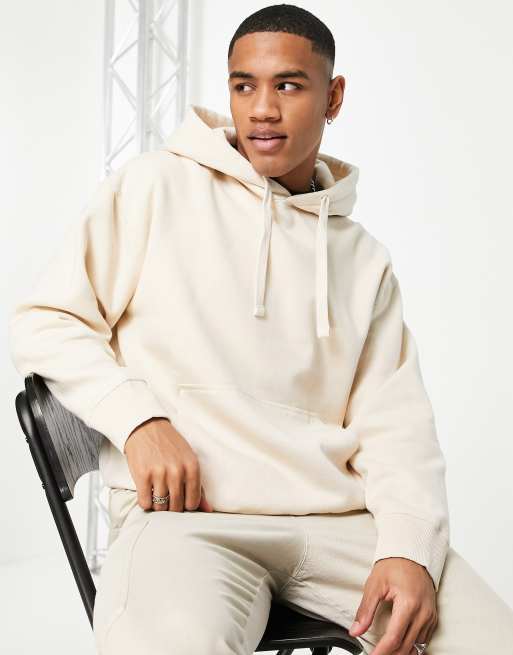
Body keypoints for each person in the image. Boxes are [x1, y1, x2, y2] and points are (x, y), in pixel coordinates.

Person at [8, 4, 513, 654]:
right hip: (187, 524)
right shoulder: (155, 187)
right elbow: (46, 320)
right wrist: (137, 419)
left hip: (338, 525)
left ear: (333, 97)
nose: (262, 110)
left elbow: (397, 423)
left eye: (289, 86)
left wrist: (410, 547)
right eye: (243, 85)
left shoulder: (361, 258)